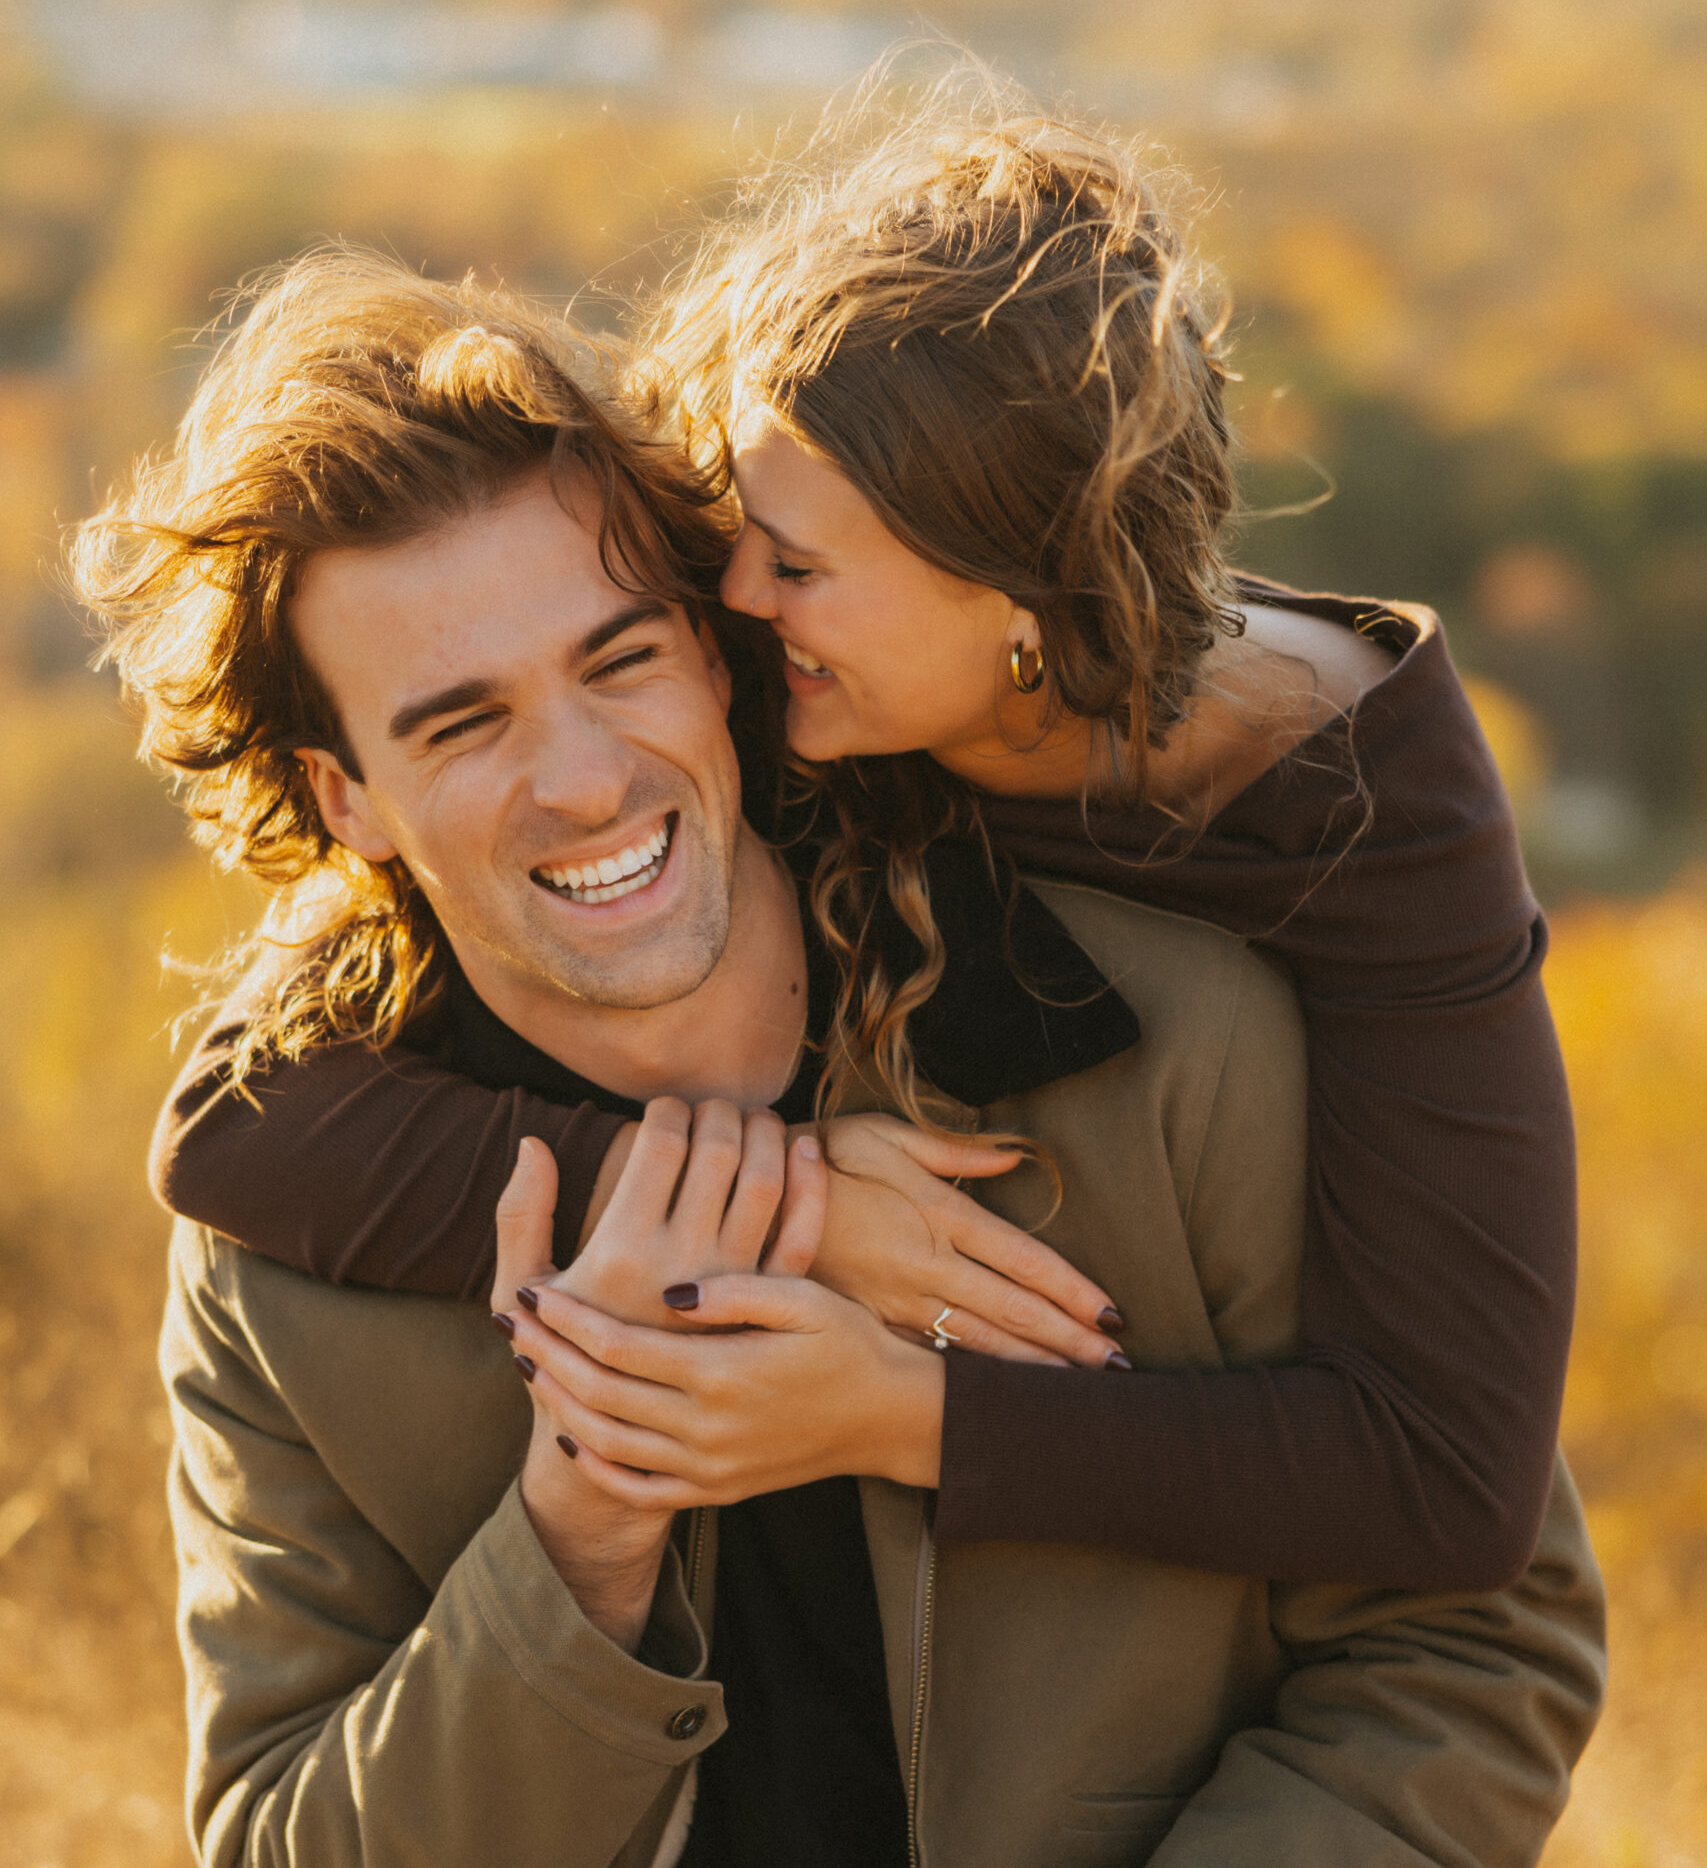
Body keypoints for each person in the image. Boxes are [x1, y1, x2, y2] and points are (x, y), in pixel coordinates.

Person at [0, 246, 1604, 1868]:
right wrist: (579, 1530)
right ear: (340, 801)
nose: (577, 777)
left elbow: (1468, 1635)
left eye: (617, 657)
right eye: (456, 720)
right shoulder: (296, 1224)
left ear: (723, 653)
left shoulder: (1158, 1037)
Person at [153, 83, 1576, 1596]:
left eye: (799, 568)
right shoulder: (760, 673)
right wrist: (791, 1209)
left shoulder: (1371, 829)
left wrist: (910, 1414)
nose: (731, 605)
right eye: (738, 538)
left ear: (1018, 601)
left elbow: (1452, 1481)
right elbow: (239, 1123)